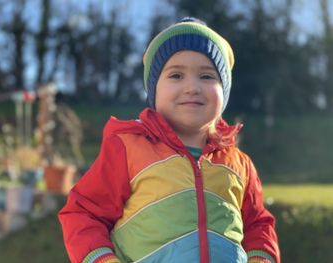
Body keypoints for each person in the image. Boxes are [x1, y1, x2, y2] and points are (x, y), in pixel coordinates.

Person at [59, 17, 280, 263]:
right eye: (176, 75)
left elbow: (258, 224)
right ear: (154, 90)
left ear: (224, 90)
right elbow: (84, 212)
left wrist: (262, 258)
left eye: (207, 76)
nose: (192, 87)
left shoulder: (240, 164)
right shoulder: (128, 148)